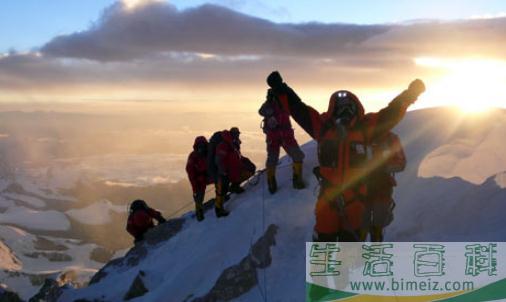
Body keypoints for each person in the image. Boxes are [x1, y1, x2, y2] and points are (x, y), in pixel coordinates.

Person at [266, 71, 425, 242]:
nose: (345, 111)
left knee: (350, 250)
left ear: (357, 107)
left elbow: (393, 111)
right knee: (324, 244)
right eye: (340, 107)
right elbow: (298, 108)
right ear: (332, 109)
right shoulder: (323, 127)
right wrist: (280, 88)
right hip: (329, 200)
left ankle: (348, 268)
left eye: (349, 106)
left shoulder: (366, 127)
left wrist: (411, 93)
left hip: (356, 200)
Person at [360, 131, 406, 242]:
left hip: (379, 187)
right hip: (364, 188)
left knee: (377, 224)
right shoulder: (360, 135)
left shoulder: (390, 138)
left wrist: (381, 168)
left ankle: (371, 250)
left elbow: (401, 163)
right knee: (361, 224)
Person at [259, 90, 306, 194]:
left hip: (283, 136)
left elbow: (261, 111)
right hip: (278, 136)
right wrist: (270, 108)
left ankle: (294, 179)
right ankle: (274, 182)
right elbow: (261, 111)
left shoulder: (284, 103)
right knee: (274, 159)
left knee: (296, 156)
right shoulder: (270, 104)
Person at [186, 136, 213, 221]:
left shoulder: (210, 153)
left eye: (203, 145)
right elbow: (190, 172)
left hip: (209, 175)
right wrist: (194, 186)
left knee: (221, 179)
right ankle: (199, 212)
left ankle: (222, 196)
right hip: (200, 179)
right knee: (199, 194)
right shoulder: (193, 156)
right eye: (200, 145)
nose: (201, 147)